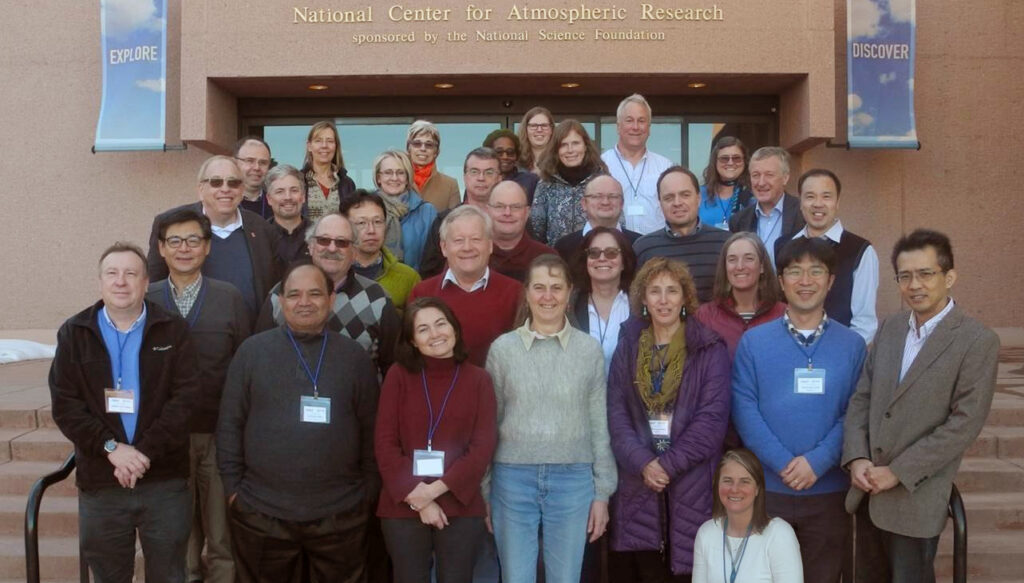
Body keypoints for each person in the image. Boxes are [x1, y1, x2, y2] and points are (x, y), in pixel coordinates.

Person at [842, 229, 999, 583]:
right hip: (866, 492)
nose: (915, 285)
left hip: (915, 498)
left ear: (950, 277)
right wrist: (856, 457)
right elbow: (862, 397)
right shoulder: (891, 328)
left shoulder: (977, 341)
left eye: (926, 274)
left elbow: (964, 424)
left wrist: (897, 471)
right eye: (905, 276)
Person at [218, 262, 379, 583]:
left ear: (332, 299)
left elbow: (371, 431)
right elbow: (229, 425)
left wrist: (366, 496)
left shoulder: (354, 357)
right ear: (280, 301)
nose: (304, 301)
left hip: (341, 516)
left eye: (315, 293)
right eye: (294, 294)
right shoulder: (252, 352)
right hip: (262, 514)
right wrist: (235, 492)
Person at [49, 242, 199, 583]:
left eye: (131, 273)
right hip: (102, 483)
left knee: (170, 575)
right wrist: (112, 449)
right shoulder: (75, 333)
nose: (121, 281)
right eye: (112, 273)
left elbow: (186, 398)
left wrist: (143, 452)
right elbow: (66, 405)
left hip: (163, 480)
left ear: (146, 282)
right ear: (99, 282)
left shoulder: (172, 329)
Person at [731, 237, 866, 582]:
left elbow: (856, 410)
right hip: (769, 490)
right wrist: (783, 463)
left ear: (831, 280)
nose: (805, 281)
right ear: (781, 281)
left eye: (815, 271)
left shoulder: (852, 345)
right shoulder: (754, 342)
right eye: (795, 272)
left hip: (828, 490)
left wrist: (817, 462)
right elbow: (745, 408)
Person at [484, 254, 617, 583]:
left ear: (570, 292)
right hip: (511, 480)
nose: (548, 296)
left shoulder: (588, 351)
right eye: (539, 287)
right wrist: (485, 490)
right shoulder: (503, 350)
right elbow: (488, 425)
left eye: (556, 287)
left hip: (572, 480)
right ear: (527, 293)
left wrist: (602, 492)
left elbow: (599, 424)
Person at [606, 257, 731, 581]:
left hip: (692, 484)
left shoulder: (709, 348)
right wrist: (644, 463)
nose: (663, 300)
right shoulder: (629, 345)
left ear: (685, 297)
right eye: (655, 291)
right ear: (643, 299)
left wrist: (667, 465)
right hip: (637, 482)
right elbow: (616, 413)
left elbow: (711, 421)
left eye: (672, 291)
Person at [147, 209, 251, 583]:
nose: (184, 248)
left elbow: (242, 368)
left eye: (193, 240)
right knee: (180, 534)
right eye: (175, 241)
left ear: (207, 248)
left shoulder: (229, 297)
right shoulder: (148, 299)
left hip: (218, 434)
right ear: (161, 249)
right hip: (167, 439)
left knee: (222, 533)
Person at [374, 297, 498, 583]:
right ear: (413, 341)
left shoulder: (479, 380)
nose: (435, 334)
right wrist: (419, 499)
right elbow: (384, 442)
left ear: (454, 328)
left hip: (460, 502)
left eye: (441, 323)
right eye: (423, 329)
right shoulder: (398, 376)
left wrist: (432, 492)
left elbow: (481, 448)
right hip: (403, 501)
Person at [254, 213, 401, 379]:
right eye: (324, 240)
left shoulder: (378, 299)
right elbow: (260, 358)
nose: (332, 248)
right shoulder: (280, 294)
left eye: (342, 242)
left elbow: (394, 369)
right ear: (310, 247)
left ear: (354, 252)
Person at [146, 155, 282, 318]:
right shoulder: (169, 224)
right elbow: (153, 283)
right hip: (186, 334)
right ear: (201, 189)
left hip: (250, 336)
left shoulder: (263, 230)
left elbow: (273, 289)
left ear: (242, 189)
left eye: (233, 182)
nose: (225, 189)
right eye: (216, 182)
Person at [408, 205, 520, 367]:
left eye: (476, 239)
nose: (467, 248)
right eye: (458, 240)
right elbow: (412, 356)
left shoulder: (515, 293)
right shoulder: (422, 294)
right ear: (444, 248)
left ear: (490, 245)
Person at [792, 168, 879, 343]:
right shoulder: (784, 245)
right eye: (810, 196)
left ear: (837, 202)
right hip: (789, 353)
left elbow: (864, 321)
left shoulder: (860, 250)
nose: (818, 204)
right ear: (800, 202)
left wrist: (843, 354)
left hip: (839, 354)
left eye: (826, 196)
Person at [691, 449, 803, 583]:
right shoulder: (706, 533)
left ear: (757, 488)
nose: (734, 489)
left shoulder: (779, 535)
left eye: (744, 481)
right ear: (717, 485)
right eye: (727, 480)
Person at [632, 166, 731, 303]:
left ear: (698, 198)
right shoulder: (643, 248)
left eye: (685, 195)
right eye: (669, 197)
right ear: (660, 203)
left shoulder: (726, 244)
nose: (677, 203)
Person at [694, 232, 786, 361]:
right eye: (732, 260)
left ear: (762, 266)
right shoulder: (705, 316)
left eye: (749, 258)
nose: (740, 266)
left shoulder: (783, 314)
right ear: (725, 267)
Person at [419, 148, 502, 278]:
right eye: (474, 172)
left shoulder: (510, 220)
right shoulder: (444, 221)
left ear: (499, 178)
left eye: (489, 172)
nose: (481, 178)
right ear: (465, 177)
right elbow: (429, 272)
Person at [600, 94, 675, 236]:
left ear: (649, 127)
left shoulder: (665, 167)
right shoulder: (601, 165)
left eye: (641, 121)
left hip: (655, 248)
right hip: (614, 249)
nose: (635, 127)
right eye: (629, 120)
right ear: (618, 126)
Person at [340, 191, 421, 314]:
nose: (371, 230)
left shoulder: (408, 277)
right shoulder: (332, 275)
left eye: (377, 222)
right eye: (361, 223)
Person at [530, 119, 609, 246]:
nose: (570, 150)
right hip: (557, 260)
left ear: (585, 146)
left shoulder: (603, 181)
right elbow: (536, 230)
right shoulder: (546, 184)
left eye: (576, 143)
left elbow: (616, 223)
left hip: (595, 258)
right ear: (556, 150)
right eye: (563, 145)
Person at [570, 226, 637, 373]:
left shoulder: (640, 306)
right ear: (586, 260)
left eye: (611, 253)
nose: (602, 258)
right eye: (593, 253)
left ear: (624, 262)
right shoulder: (569, 306)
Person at [727, 147, 804, 267]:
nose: (761, 182)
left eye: (769, 175)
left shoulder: (802, 213)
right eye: (756, 175)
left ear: (785, 178)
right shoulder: (738, 221)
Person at [373, 149, 439, 272]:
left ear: (408, 177)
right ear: (378, 178)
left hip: (415, 285)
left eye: (400, 173)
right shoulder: (365, 209)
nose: (394, 178)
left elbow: (435, 259)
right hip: (373, 285)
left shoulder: (427, 212)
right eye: (388, 172)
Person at [553, 175, 642, 264]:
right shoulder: (564, 247)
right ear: (584, 203)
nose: (605, 202)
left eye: (613, 196)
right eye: (597, 196)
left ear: (622, 203)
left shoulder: (638, 244)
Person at [486, 180, 555, 282]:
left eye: (515, 207)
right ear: (488, 211)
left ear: (527, 213)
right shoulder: (473, 256)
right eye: (499, 206)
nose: (507, 213)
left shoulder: (547, 257)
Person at [301, 120, 357, 219]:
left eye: (330, 141)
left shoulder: (347, 184)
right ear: (309, 146)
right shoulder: (299, 181)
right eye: (318, 141)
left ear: (336, 146)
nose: (324, 146)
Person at [697, 136, 753, 230]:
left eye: (736, 158)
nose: (730, 163)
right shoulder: (698, 194)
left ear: (744, 161)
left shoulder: (753, 194)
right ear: (715, 162)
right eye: (724, 158)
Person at [265, 163, 313, 265]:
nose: (288, 197)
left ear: (303, 196)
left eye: (294, 190)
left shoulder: (319, 235)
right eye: (280, 191)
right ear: (269, 199)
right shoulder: (259, 236)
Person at [408, 120, 461, 210]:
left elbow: (454, 221)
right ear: (409, 148)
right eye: (417, 144)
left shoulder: (450, 185)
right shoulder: (397, 180)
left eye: (429, 145)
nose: (423, 148)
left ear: (436, 152)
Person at [483, 128, 539, 203]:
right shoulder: (480, 181)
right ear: (489, 155)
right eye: (499, 152)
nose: (505, 157)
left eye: (510, 152)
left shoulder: (531, 181)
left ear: (517, 156)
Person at [235, 137, 274, 219]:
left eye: (263, 162)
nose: (256, 167)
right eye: (250, 161)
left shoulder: (276, 205)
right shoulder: (222, 203)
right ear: (235, 163)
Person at [517, 106, 554, 174]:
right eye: (533, 126)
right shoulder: (516, 161)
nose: (539, 130)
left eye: (544, 125)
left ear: (551, 129)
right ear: (526, 129)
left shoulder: (560, 160)